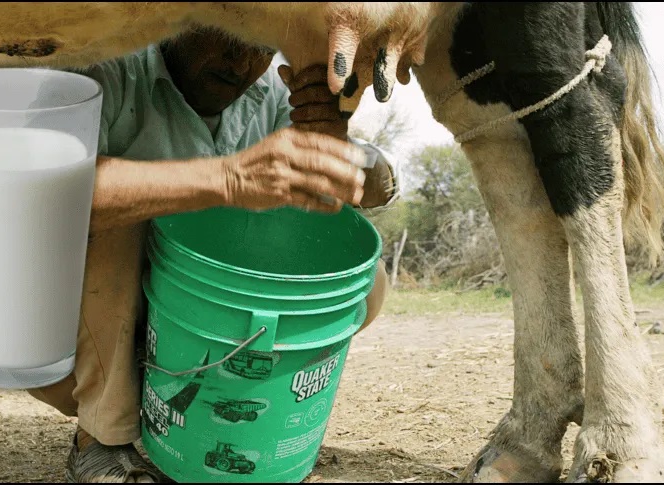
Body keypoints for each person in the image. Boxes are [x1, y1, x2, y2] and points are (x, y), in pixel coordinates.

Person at [28, 26, 399, 483]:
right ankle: (101, 438)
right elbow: (42, 194)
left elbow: (370, 186)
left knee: (370, 284)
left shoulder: (274, 95)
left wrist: (342, 151)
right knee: (114, 218)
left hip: (187, 338)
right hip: (52, 338)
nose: (240, 62)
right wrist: (229, 180)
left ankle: (206, 414)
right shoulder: (100, 66)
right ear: (176, 18)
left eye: (261, 46)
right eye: (226, 33)